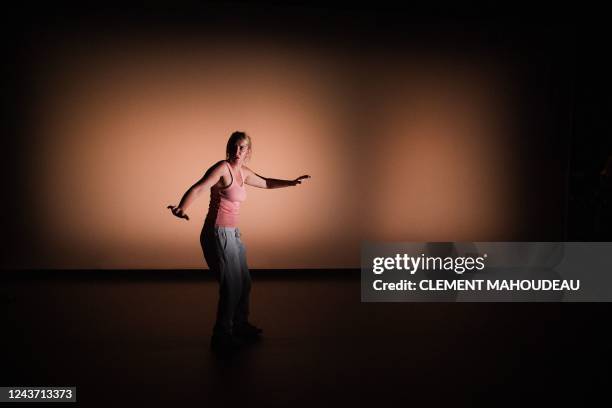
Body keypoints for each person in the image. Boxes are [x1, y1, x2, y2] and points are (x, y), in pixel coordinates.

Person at [167, 131, 310, 353]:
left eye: (242, 147)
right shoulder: (222, 168)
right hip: (217, 233)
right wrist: (181, 207)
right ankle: (221, 335)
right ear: (229, 148)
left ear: (248, 151)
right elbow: (200, 187)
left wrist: (291, 183)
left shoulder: (243, 172)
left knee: (245, 282)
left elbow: (267, 183)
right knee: (231, 286)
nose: (237, 151)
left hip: (233, 234)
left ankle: (240, 325)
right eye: (234, 146)